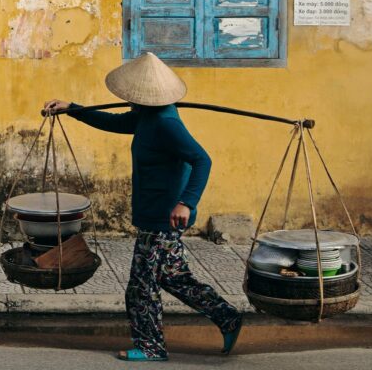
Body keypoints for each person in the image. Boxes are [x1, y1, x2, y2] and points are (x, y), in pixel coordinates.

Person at [43, 52, 243, 362]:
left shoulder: (165, 123)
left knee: (140, 288)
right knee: (174, 277)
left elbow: (202, 160)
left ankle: (151, 346)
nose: (127, 101)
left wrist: (186, 203)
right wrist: (72, 109)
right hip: (153, 214)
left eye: (132, 96)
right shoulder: (147, 116)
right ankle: (227, 316)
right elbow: (112, 121)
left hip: (164, 218)